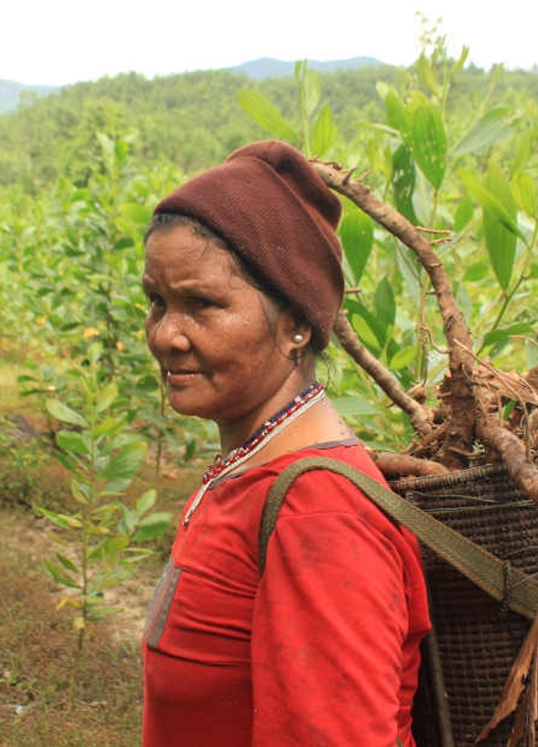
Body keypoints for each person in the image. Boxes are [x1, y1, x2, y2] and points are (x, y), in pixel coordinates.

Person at [140, 140, 431, 746]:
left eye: (202, 304)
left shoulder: (318, 513)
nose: (167, 335)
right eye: (156, 302)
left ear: (297, 323)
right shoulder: (253, 471)